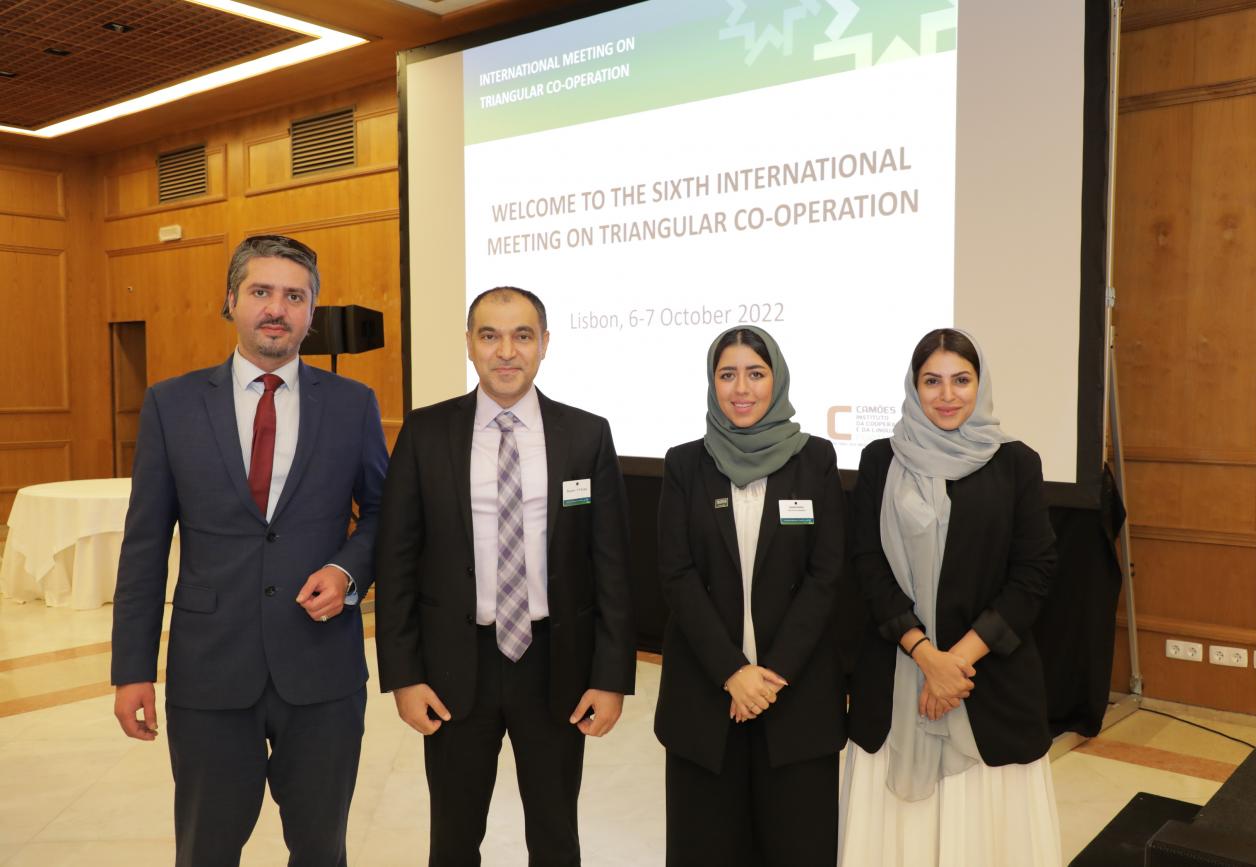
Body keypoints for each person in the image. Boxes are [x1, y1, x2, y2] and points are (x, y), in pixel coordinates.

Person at [111, 234, 389, 866]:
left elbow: (384, 513)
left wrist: (347, 571)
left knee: (321, 849)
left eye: (294, 296)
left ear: (311, 312)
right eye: (261, 291)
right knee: (205, 849)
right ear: (231, 301)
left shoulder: (352, 404)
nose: (276, 309)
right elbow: (144, 544)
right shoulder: (171, 404)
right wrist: (131, 669)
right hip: (209, 671)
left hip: (321, 670)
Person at [375, 286, 635, 867]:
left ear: (545, 344)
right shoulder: (425, 432)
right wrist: (404, 675)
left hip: (555, 665)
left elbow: (612, 564)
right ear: (469, 344)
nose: (506, 351)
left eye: (522, 335)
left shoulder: (586, 434)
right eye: (490, 336)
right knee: (453, 837)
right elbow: (396, 561)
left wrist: (611, 676)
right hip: (453, 665)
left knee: (555, 834)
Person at [838, 328, 1061, 867]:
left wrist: (953, 665)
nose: (946, 395)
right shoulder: (880, 459)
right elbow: (866, 563)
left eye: (961, 380)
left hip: (987, 684)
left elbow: (1033, 573)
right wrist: (925, 656)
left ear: (980, 385)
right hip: (895, 679)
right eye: (931, 381)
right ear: (913, 387)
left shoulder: (1016, 463)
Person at [655, 325, 847, 866]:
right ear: (712, 382)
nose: (742, 388)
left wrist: (771, 675)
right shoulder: (684, 464)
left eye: (756, 373)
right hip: (705, 699)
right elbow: (676, 574)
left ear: (776, 379)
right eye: (728, 374)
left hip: (796, 700)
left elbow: (826, 574)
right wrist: (733, 672)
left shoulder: (815, 460)